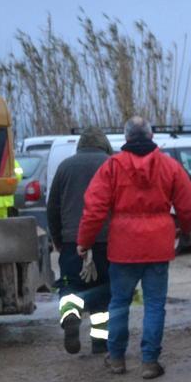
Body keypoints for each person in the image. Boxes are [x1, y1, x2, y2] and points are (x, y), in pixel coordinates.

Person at [77, 117, 191, 379]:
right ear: (151, 136)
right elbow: (187, 205)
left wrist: (84, 242)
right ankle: (149, 362)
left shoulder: (112, 167)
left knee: (119, 303)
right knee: (154, 304)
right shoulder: (170, 166)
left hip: (123, 247)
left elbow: (94, 209)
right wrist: (186, 233)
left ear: (126, 138)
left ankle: (117, 358)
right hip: (158, 246)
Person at [47, 127, 113, 355]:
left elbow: (53, 208)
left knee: (69, 286)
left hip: (71, 242)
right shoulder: (112, 164)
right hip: (107, 242)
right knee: (104, 291)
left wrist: (57, 239)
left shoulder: (65, 167)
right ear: (104, 145)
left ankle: (71, 315)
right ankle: (99, 343)